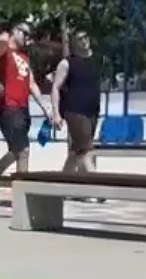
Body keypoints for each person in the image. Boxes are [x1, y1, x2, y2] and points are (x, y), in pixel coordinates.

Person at [0, 23, 53, 205]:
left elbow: (32, 84)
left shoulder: (24, 57)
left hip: (23, 108)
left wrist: (45, 108)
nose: (27, 38)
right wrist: (5, 36)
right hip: (9, 107)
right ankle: (21, 198)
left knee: (15, 152)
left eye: (29, 35)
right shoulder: (4, 54)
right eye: (24, 33)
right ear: (15, 32)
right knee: (23, 151)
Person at [51, 30, 102, 176]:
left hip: (92, 111)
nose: (84, 41)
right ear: (74, 42)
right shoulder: (67, 63)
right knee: (86, 149)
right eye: (80, 39)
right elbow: (55, 87)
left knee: (76, 150)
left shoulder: (96, 60)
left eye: (86, 37)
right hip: (74, 110)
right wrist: (56, 113)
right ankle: (96, 184)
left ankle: (62, 183)